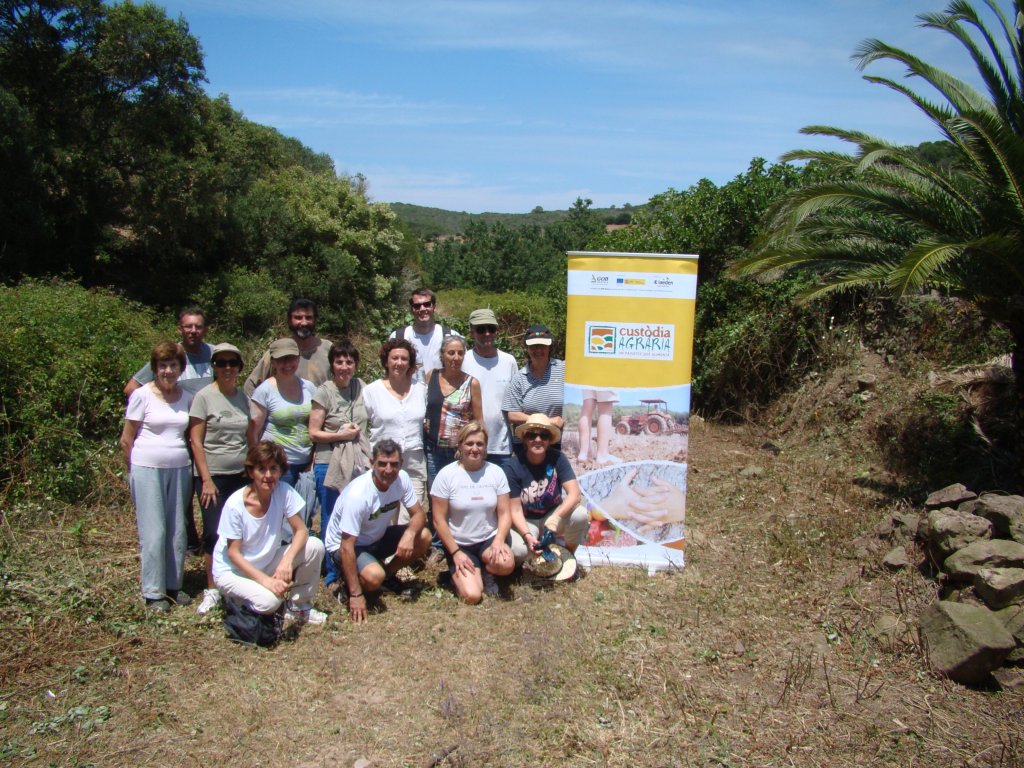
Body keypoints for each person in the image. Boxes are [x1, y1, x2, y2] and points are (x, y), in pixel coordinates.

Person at [212, 441, 326, 625]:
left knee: (315, 546)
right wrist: (266, 581)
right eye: (261, 469)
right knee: (270, 602)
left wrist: (286, 562)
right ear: (251, 472)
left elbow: (301, 531)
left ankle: (299, 606)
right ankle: (234, 600)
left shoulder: (283, 491)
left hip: (265, 561)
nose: (268, 475)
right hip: (234, 571)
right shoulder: (235, 505)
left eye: (273, 469)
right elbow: (233, 554)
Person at [119, 342, 194, 612]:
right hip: (146, 468)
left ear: (181, 369)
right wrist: (134, 472)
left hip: (180, 468)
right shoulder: (142, 396)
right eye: (163, 366)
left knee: (177, 530)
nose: (168, 371)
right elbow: (127, 440)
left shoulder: (186, 397)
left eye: (173, 365)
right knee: (154, 531)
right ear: (154, 369)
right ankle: (153, 591)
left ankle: (174, 585)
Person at [324, 439, 432, 623]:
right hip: (347, 547)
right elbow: (346, 547)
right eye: (382, 464)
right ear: (372, 463)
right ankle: (350, 584)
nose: (388, 470)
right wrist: (356, 596)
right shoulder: (358, 495)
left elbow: (419, 515)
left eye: (394, 464)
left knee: (424, 536)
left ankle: (387, 576)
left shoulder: (402, 478)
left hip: (376, 538)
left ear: (401, 464)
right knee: (374, 576)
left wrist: (409, 535)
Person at [188, 343, 251, 615]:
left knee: (239, 531)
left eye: (232, 363)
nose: (227, 368)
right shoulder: (203, 397)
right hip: (213, 476)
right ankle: (212, 589)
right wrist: (206, 479)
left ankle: (235, 585)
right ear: (213, 367)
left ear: (239, 367)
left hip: (241, 475)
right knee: (214, 532)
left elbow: (248, 436)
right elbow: (196, 440)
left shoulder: (243, 398)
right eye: (221, 363)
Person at [431, 422, 514, 604]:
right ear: (460, 445)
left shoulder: (496, 472)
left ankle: (486, 570)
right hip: (460, 544)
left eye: (479, 444)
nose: (474, 449)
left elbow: (505, 513)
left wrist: (499, 540)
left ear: (485, 447)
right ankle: (459, 573)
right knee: (472, 596)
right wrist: (456, 552)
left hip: (488, 539)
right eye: (469, 443)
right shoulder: (446, 475)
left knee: (506, 564)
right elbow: (438, 520)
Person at [308, 340, 368, 587]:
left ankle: (353, 565)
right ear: (332, 364)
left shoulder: (361, 387)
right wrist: (340, 436)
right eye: (339, 361)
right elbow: (314, 432)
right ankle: (332, 571)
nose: (344, 366)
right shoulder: (324, 391)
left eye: (349, 362)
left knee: (356, 515)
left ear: (355, 365)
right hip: (329, 462)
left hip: (358, 462)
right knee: (332, 517)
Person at [503, 414, 588, 564]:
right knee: (519, 551)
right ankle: (534, 559)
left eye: (543, 435)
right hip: (526, 519)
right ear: (524, 438)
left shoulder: (558, 458)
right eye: (531, 435)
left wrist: (556, 518)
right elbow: (514, 510)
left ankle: (568, 555)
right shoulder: (512, 466)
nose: (537, 439)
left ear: (549, 440)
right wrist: (527, 535)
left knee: (580, 514)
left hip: (551, 514)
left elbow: (575, 494)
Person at [361, 339, 427, 506]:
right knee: (384, 515)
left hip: (414, 460)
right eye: (394, 358)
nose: (399, 363)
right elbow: (361, 428)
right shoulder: (371, 391)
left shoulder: (421, 390)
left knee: (412, 515)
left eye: (404, 359)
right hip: (384, 463)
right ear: (386, 361)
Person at [248, 338, 316, 489]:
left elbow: (317, 425)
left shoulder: (309, 388)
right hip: (277, 465)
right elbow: (253, 432)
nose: (287, 364)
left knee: (304, 511)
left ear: (298, 359)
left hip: (306, 463)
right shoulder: (264, 391)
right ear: (273, 362)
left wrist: (313, 460)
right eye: (281, 360)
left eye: (291, 359)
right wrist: (259, 464)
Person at [461, 308, 519, 465]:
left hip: (502, 447)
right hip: (470, 447)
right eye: (481, 329)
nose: (487, 333)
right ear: (472, 332)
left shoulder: (509, 361)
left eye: (491, 329)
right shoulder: (463, 360)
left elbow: (516, 402)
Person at [424, 335, 482, 489]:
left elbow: (478, 422)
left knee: (458, 494)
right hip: (433, 450)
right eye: (451, 353)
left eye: (460, 353)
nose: (456, 358)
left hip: (459, 452)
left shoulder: (472, 383)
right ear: (442, 355)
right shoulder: (431, 376)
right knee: (435, 494)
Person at [244, 298, 333, 395]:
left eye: (308, 317)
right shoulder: (279, 350)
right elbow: (250, 385)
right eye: (298, 318)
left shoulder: (328, 349)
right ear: (289, 321)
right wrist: (258, 408)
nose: (304, 323)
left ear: (315, 320)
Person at [124, 307, 213, 398]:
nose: (193, 331)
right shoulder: (171, 354)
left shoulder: (215, 353)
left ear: (205, 330)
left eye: (198, 327)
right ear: (180, 330)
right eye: (188, 326)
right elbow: (131, 388)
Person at [502, 324, 565, 449]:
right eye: (533, 346)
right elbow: (512, 414)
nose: (538, 350)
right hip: (529, 444)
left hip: (559, 444)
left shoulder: (565, 370)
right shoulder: (519, 377)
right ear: (527, 348)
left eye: (542, 346)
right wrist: (547, 421)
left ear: (549, 346)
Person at [389, 288, 461, 384]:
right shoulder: (398, 337)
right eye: (417, 306)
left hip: (442, 396)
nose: (422, 309)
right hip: (408, 394)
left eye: (427, 304)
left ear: (434, 307)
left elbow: (461, 370)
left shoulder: (451, 336)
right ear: (412, 310)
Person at [577, 388, 620, 465]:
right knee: (605, 407)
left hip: (586, 376)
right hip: (604, 376)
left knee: (587, 406)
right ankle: (602, 455)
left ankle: (584, 453)